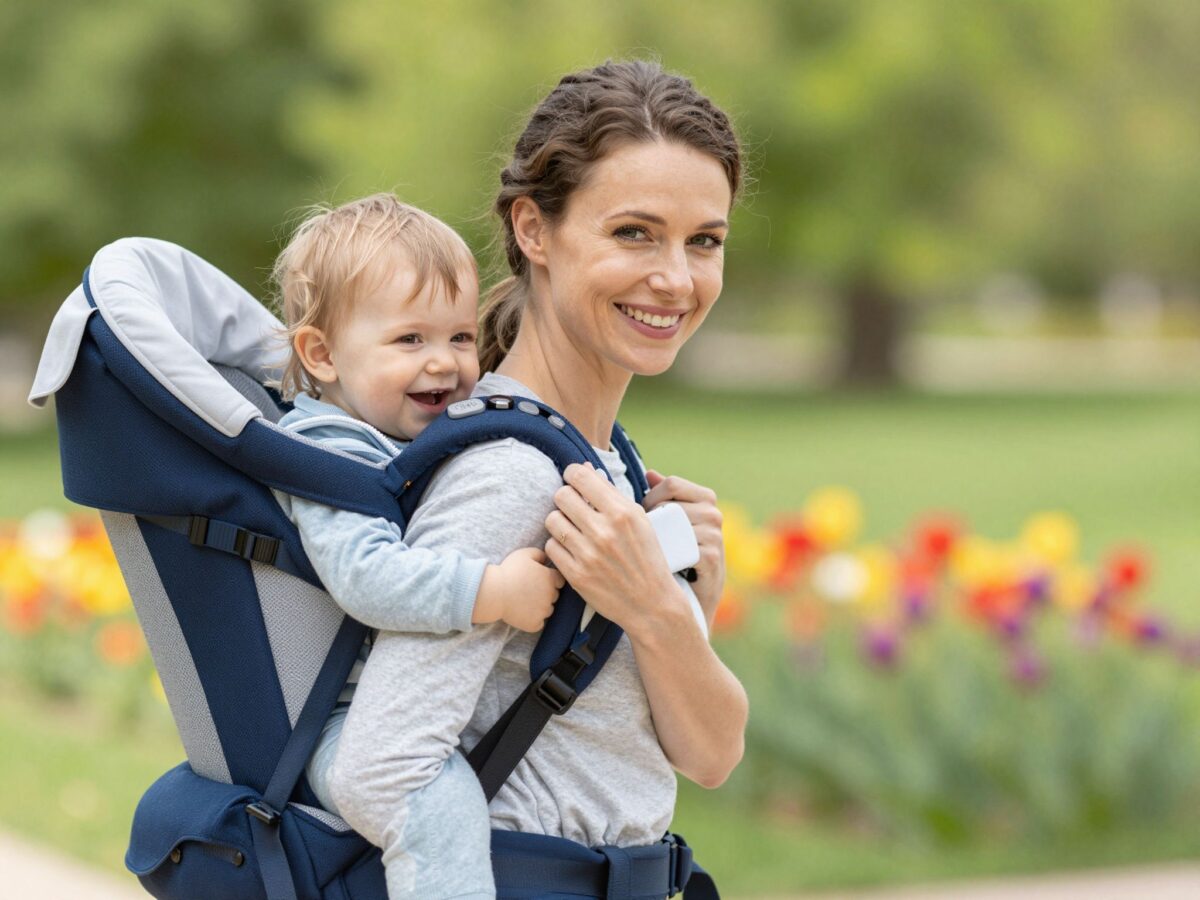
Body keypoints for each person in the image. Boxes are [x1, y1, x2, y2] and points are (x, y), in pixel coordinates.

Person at [329, 60, 749, 900]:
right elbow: (379, 765)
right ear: (534, 229)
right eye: (635, 233)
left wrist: (667, 609)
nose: (677, 278)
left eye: (705, 240)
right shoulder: (508, 477)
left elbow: (711, 756)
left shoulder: (607, 467)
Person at [268, 194, 565, 892]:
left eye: (460, 338)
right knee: (436, 809)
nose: (446, 364)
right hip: (340, 722)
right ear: (322, 354)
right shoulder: (327, 450)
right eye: (410, 340)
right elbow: (366, 576)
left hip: (397, 697)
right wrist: (490, 593)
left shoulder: (395, 436)